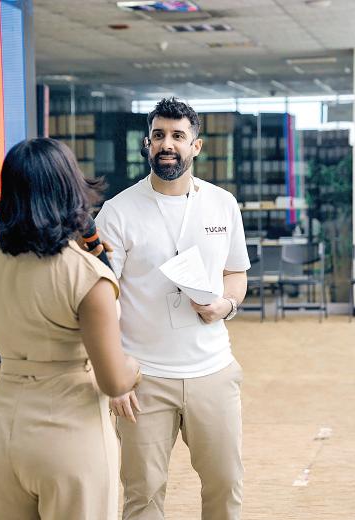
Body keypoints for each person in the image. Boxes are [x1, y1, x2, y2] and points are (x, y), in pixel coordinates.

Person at [95, 97, 250, 520]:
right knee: (142, 495)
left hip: (213, 372)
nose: (168, 144)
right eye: (159, 135)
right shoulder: (117, 212)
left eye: (178, 136)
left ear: (195, 146)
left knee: (225, 486)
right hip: (144, 378)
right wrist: (116, 377)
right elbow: (101, 300)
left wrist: (225, 305)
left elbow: (236, 273)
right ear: (147, 144)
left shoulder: (222, 203)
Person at [0, 137, 141, 520]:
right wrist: (135, 366)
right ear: (70, 189)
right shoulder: (87, 275)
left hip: (2, 429)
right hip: (69, 433)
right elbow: (115, 381)